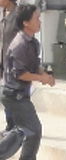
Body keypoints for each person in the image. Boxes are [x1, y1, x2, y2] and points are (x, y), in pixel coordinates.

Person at [0, 4, 54, 160]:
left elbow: (34, 65)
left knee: (18, 130)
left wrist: (45, 75)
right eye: (36, 19)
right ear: (25, 22)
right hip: (13, 94)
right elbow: (20, 74)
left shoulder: (33, 43)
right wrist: (41, 78)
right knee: (33, 128)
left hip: (20, 93)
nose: (40, 22)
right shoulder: (20, 44)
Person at [0, 0, 18, 135]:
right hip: (4, 61)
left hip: (16, 63)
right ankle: (10, 124)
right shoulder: (4, 14)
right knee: (6, 94)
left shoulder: (19, 15)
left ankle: (16, 125)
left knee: (15, 96)